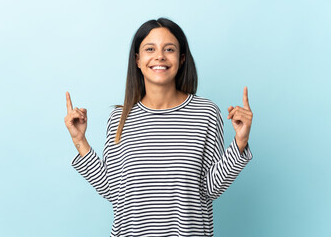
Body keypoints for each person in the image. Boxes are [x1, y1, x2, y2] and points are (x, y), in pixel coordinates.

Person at [64, 17, 253, 237]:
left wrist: (239, 142)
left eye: (169, 49)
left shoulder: (206, 113)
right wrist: (80, 140)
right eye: (150, 48)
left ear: (182, 59)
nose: (159, 56)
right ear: (137, 59)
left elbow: (210, 189)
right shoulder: (120, 118)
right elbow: (114, 190)